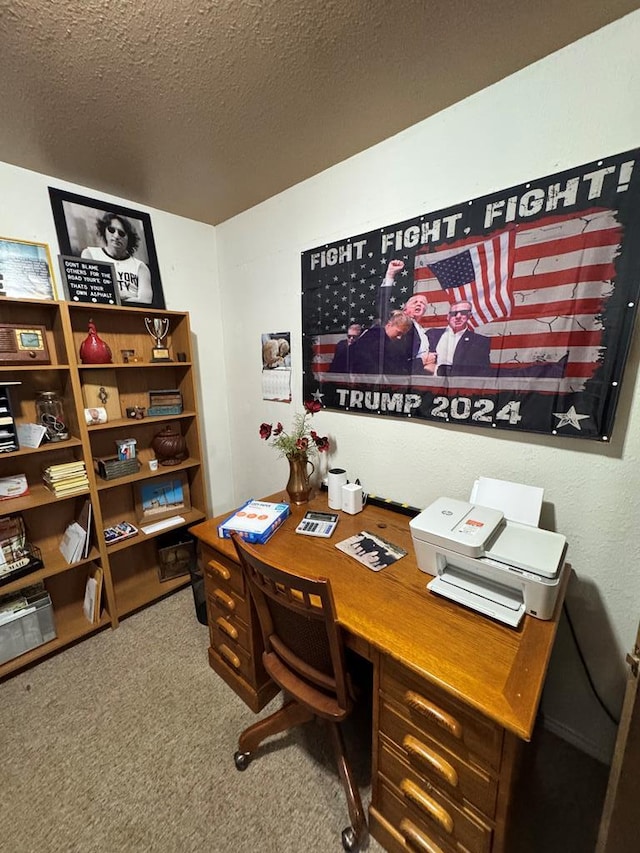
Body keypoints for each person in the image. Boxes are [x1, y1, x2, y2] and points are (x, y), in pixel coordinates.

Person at [82, 213, 153, 305]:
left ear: (129, 239)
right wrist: (126, 298)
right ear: (104, 231)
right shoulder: (90, 254)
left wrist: (115, 298)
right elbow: (93, 291)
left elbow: (145, 301)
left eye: (121, 233)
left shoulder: (140, 267)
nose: (116, 236)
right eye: (111, 230)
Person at [378, 260, 434, 373]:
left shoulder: (423, 332)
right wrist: (390, 274)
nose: (419, 304)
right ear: (405, 308)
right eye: (415, 302)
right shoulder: (398, 320)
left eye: (422, 303)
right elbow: (383, 305)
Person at [426, 300, 491, 376]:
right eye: (454, 313)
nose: (458, 316)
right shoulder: (431, 334)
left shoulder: (479, 341)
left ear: (470, 315)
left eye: (463, 313)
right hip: (428, 384)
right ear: (448, 316)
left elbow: (480, 371)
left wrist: (437, 370)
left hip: (459, 385)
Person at [348, 311, 413, 374]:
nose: (400, 337)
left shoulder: (381, 339)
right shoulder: (374, 340)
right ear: (389, 325)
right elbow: (392, 369)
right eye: (398, 333)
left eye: (403, 335)